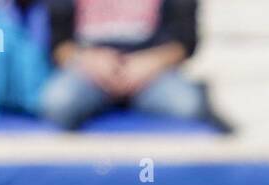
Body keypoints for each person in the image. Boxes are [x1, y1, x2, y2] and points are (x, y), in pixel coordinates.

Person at [40, 0, 210, 129]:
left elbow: (185, 43)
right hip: (88, 72)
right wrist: (88, 60)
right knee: (58, 104)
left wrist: (150, 63)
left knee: (188, 105)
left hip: (151, 74)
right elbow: (58, 46)